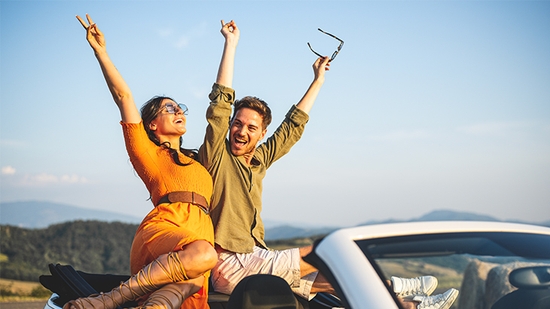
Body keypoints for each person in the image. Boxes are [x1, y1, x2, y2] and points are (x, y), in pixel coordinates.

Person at [199, 20, 459, 309]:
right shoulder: (217, 157)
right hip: (229, 264)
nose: (241, 131)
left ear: (262, 135)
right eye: (237, 124)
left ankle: (408, 305)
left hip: (255, 258)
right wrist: (230, 45)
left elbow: (291, 128)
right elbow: (219, 106)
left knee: (334, 282)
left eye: (251, 127)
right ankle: (397, 283)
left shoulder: (259, 159)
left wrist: (318, 79)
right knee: (329, 251)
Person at [64, 14, 218, 309]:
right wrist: (101, 52)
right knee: (205, 256)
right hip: (163, 232)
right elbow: (123, 95)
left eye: (181, 107)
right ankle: (107, 300)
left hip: (191, 250)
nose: (179, 111)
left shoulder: (198, 161)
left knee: (179, 290)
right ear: (151, 125)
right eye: (169, 108)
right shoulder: (148, 153)